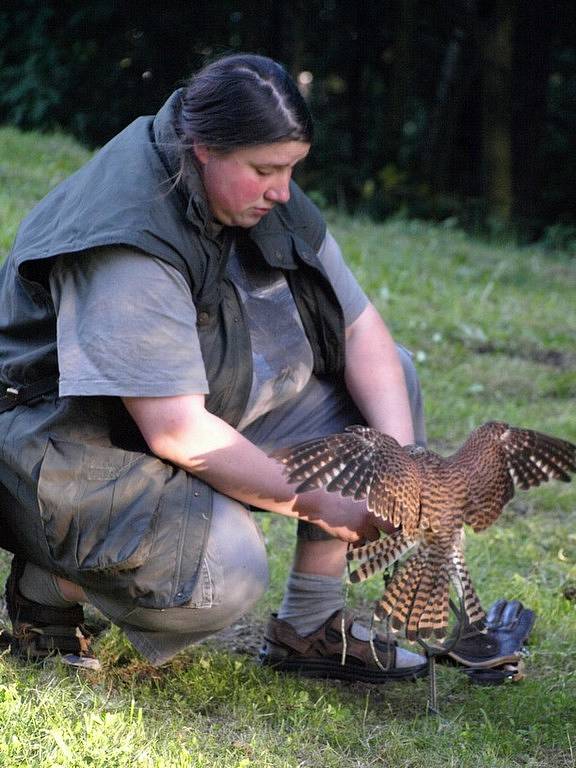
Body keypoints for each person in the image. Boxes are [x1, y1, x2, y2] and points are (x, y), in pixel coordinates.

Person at [0, 53, 428, 679]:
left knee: (392, 377)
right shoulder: (128, 239)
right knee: (224, 575)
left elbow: (361, 332)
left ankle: (309, 625)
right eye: (265, 171)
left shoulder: (247, 177)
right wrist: (325, 505)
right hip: (59, 443)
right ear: (203, 148)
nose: (282, 190)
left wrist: (402, 468)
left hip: (151, 414)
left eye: (290, 170)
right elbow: (177, 431)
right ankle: (50, 585)